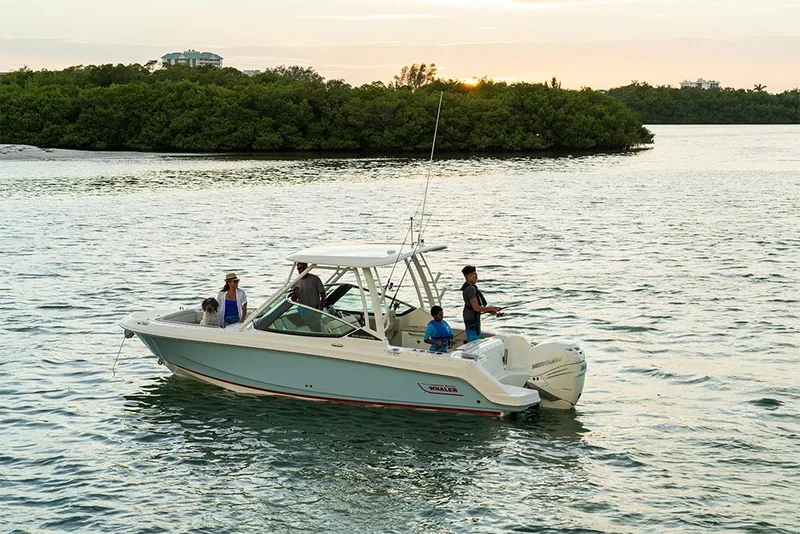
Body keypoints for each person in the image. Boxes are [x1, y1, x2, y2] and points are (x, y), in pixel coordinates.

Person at [461, 265, 502, 342]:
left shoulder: (470, 287)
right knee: (473, 340)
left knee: (475, 338)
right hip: (471, 318)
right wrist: (492, 308)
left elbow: (477, 307)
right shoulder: (470, 289)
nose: (476, 278)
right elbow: (476, 307)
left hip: (472, 316)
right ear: (468, 276)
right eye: (474, 275)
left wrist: (490, 311)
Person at [291, 262, 326, 331]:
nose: (300, 270)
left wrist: (320, 310)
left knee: (316, 330)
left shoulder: (315, 279)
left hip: (314, 310)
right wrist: (295, 292)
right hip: (302, 311)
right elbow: (293, 299)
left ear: (306, 268)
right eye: (298, 269)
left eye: (302, 268)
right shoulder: (296, 281)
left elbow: (323, 295)